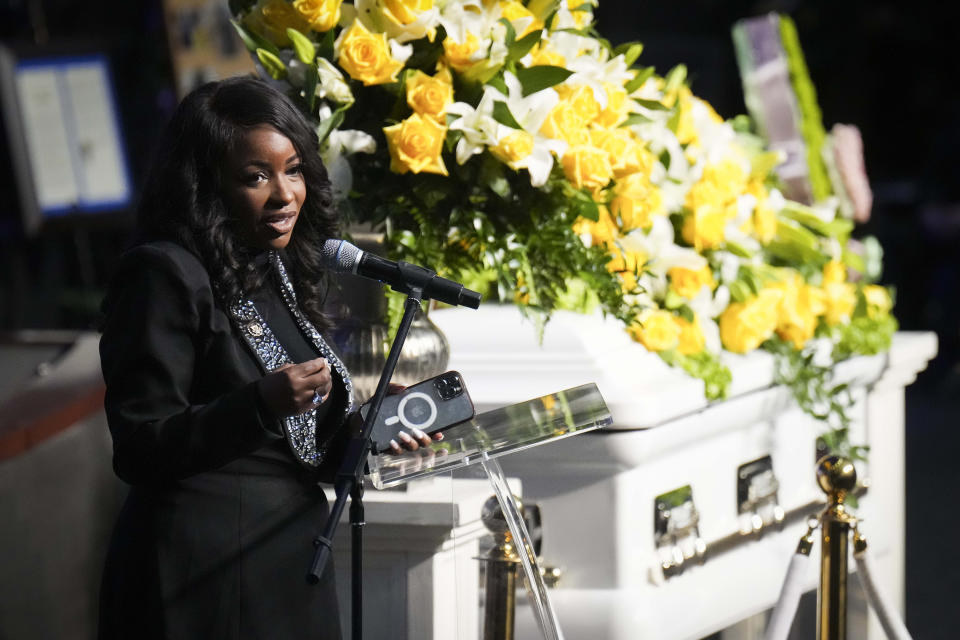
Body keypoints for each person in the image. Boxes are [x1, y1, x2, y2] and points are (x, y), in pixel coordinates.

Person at [97, 76, 434, 640]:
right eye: (256, 176)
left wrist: (365, 429)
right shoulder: (162, 273)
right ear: (205, 186)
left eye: (294, 169)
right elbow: (140, 445)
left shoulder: (271, 267)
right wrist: (259, 403)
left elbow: (293, 452)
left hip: (284, 570)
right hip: (201, 581)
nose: (284, 194)